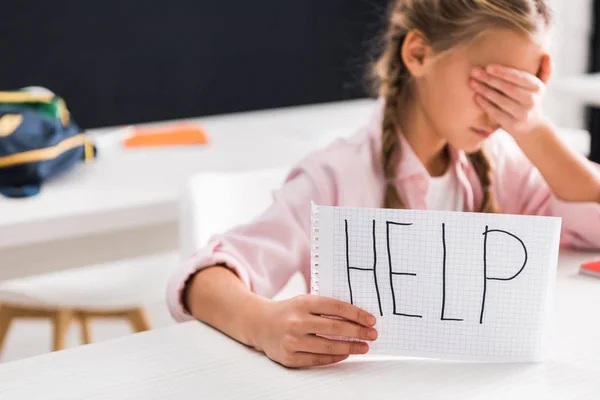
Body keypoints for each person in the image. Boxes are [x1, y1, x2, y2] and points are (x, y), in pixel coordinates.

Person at [167, 0, 600, 368]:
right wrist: (263, 325)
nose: (503, 111)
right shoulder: (337, 176)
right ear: (418, 55)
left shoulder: (503, 166)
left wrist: (534, 129)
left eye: (522, 91)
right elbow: (201, 278)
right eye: (494, 85)